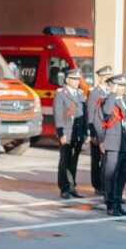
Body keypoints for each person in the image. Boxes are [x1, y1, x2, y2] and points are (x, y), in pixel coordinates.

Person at [99, 74, 126, 216]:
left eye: (123, 85)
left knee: (122, 175)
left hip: (124, 143)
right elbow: (107, 112)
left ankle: (118, 202)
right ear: (114, 86)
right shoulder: (108, 101)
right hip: (113, 143)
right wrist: (112, 93)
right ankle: (111, 204)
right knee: (111, 175)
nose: (122, 88)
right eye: (119, 85)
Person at [53, 68, 86, 199]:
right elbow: (58, 115)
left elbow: (83, 115)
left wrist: (84, 132)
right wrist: (61, 133)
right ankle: (64, 188)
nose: (77, 81)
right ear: (67, 80)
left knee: (74, 161)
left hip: (77, 133)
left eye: (78, 79)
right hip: (66, 132)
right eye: (74, 79)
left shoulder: (80, 94)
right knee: (64, 160)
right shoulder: (61, 94)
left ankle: (72, 186)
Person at [86, 66, 113, 195]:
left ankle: (105, 185)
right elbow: (90, 114)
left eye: (109, 76)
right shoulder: (94, 93)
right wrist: (92, 133)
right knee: (97, 160)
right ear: (100, 77)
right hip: (98, 131)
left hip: (109, 132)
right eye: (106, 76)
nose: (108, 79)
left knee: (106, 161)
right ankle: (98, 185)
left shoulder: (110, 93)